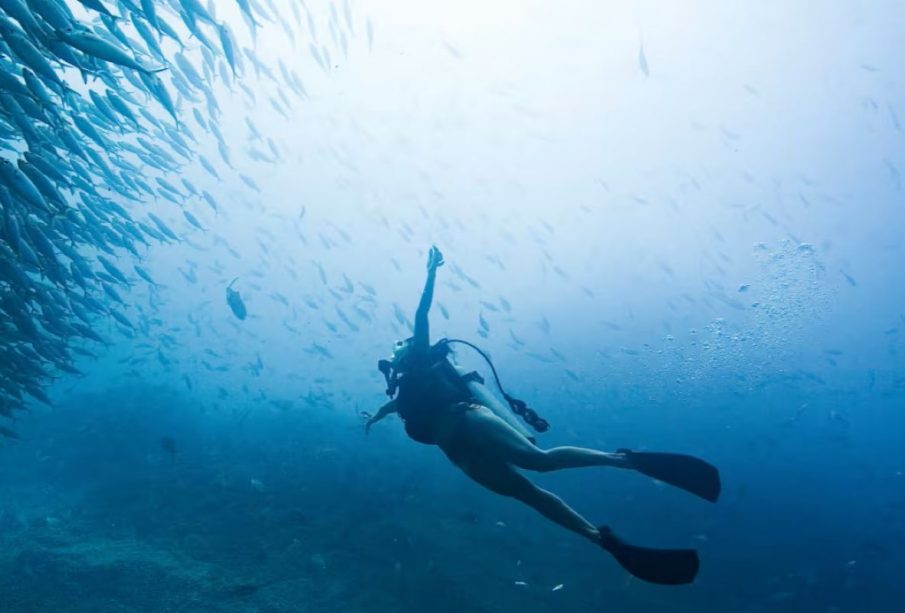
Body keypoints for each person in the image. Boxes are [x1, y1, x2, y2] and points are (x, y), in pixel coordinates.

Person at [366, 246, 720, 585]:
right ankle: (601, 539)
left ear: (412, 348)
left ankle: (623, 459)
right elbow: (399, 406)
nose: (396, 351)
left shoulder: (423, 360)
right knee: (527, 494)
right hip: (459, 453)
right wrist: (376, 415)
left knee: (540, 461)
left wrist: (430, 275)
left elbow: (420, 315)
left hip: (467, 418)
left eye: (400, 346)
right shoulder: (407, 390)